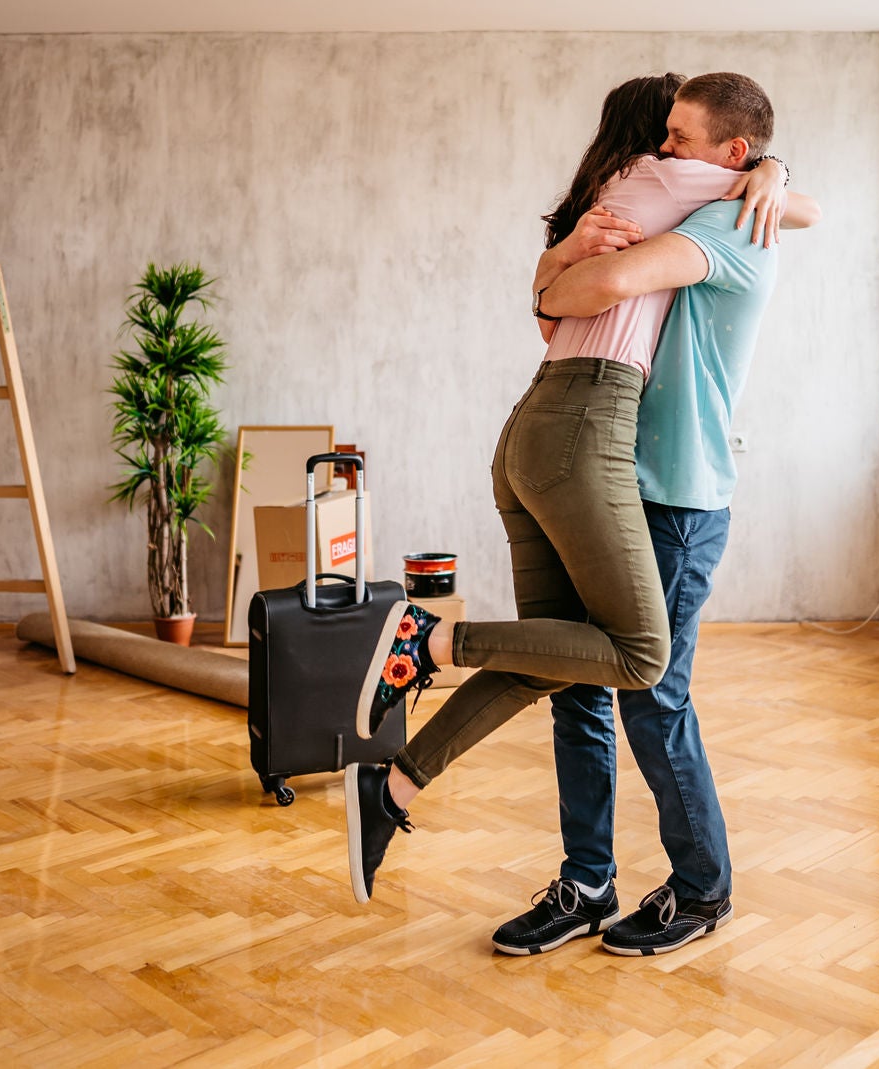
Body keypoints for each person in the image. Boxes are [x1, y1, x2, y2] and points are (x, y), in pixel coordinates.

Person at [343, 72, 818, 909]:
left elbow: (556, 306)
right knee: (630, 665)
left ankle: (397, 788)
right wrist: (559, 278)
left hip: (586, 446)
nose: (667, 148)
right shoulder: (662, 185)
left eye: (681, 137)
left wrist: (772, 172)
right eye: (663, 133)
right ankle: (587, 866)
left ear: (726, 155)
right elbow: (579, 297)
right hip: (592, 441)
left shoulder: (716, 213)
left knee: (566, 665)